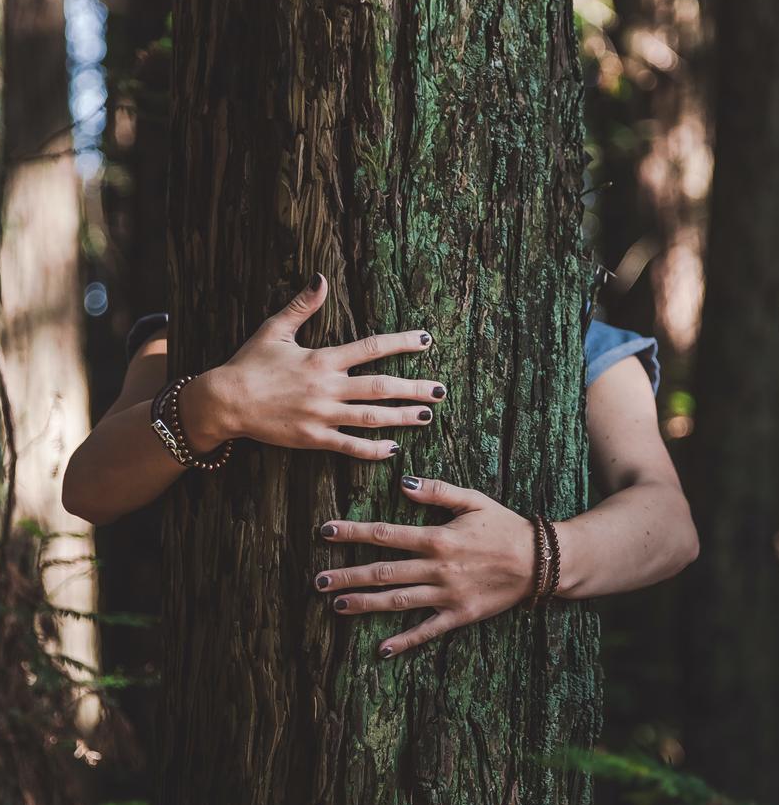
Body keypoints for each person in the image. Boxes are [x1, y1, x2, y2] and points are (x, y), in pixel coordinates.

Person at [63, 272, 698, 658]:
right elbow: (89, 487)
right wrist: (219, 401)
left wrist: (535, 557)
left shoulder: (576, 339)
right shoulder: (198, 325)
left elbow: (669, 525)